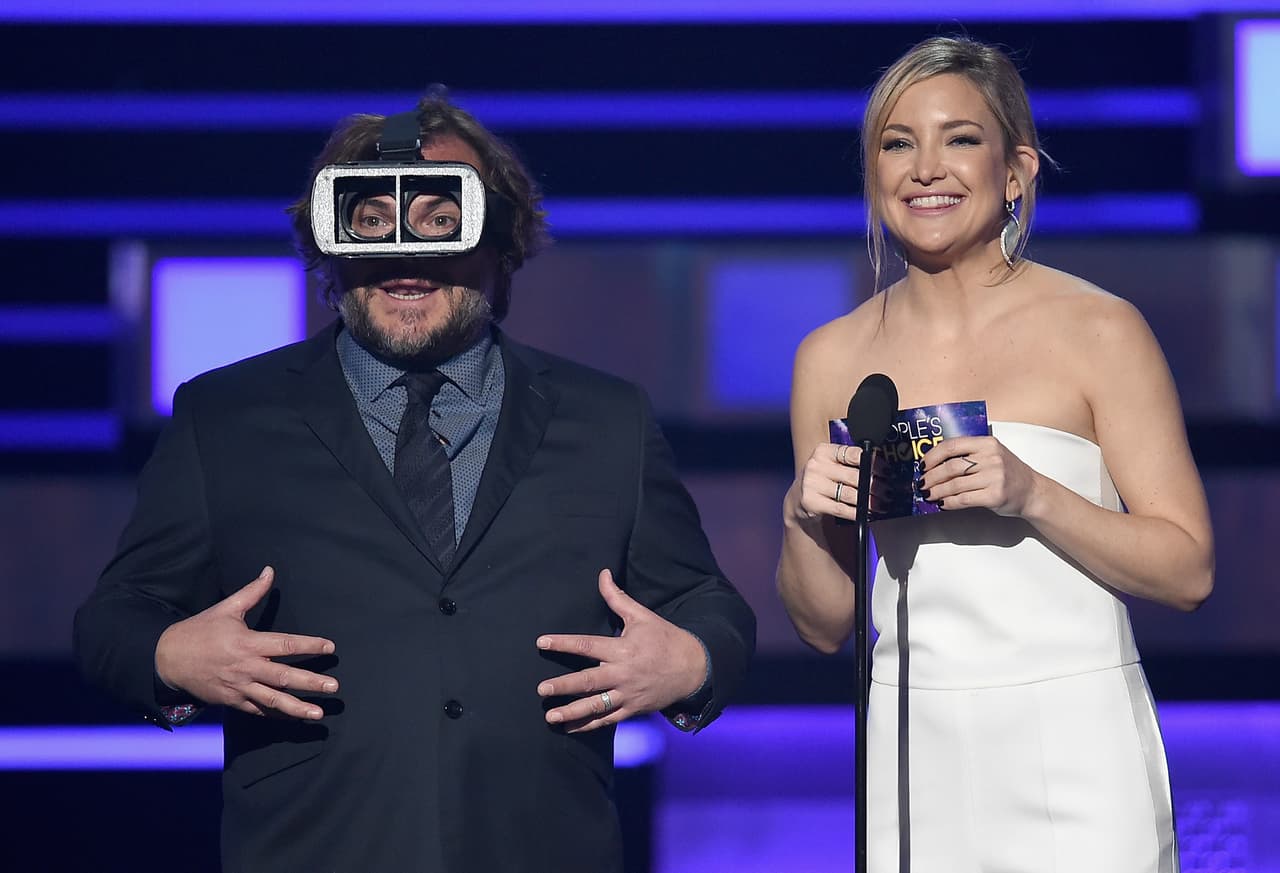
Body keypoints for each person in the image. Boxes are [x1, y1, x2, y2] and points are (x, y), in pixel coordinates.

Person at [74, 91, 756, 873]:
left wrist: (691, 661)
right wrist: (170, 654)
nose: (409, 253)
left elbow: (708, 604)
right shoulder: (223, 418)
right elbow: (111, 620)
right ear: (330, 243)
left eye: (442, 219)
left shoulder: (609, 421)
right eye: (374, 220)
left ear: (502, 246)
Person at [776, 36, 1212, 873]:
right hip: (910, 748)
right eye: (897, 143)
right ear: (872, 174)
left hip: (1076, 742)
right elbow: (823, 621)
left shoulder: (1100, 330)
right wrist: (799, 513)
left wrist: (1031, 491)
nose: (925, 168)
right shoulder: (830, 359)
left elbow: (1189, 570)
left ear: (1016, 171)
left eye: (959, 139)